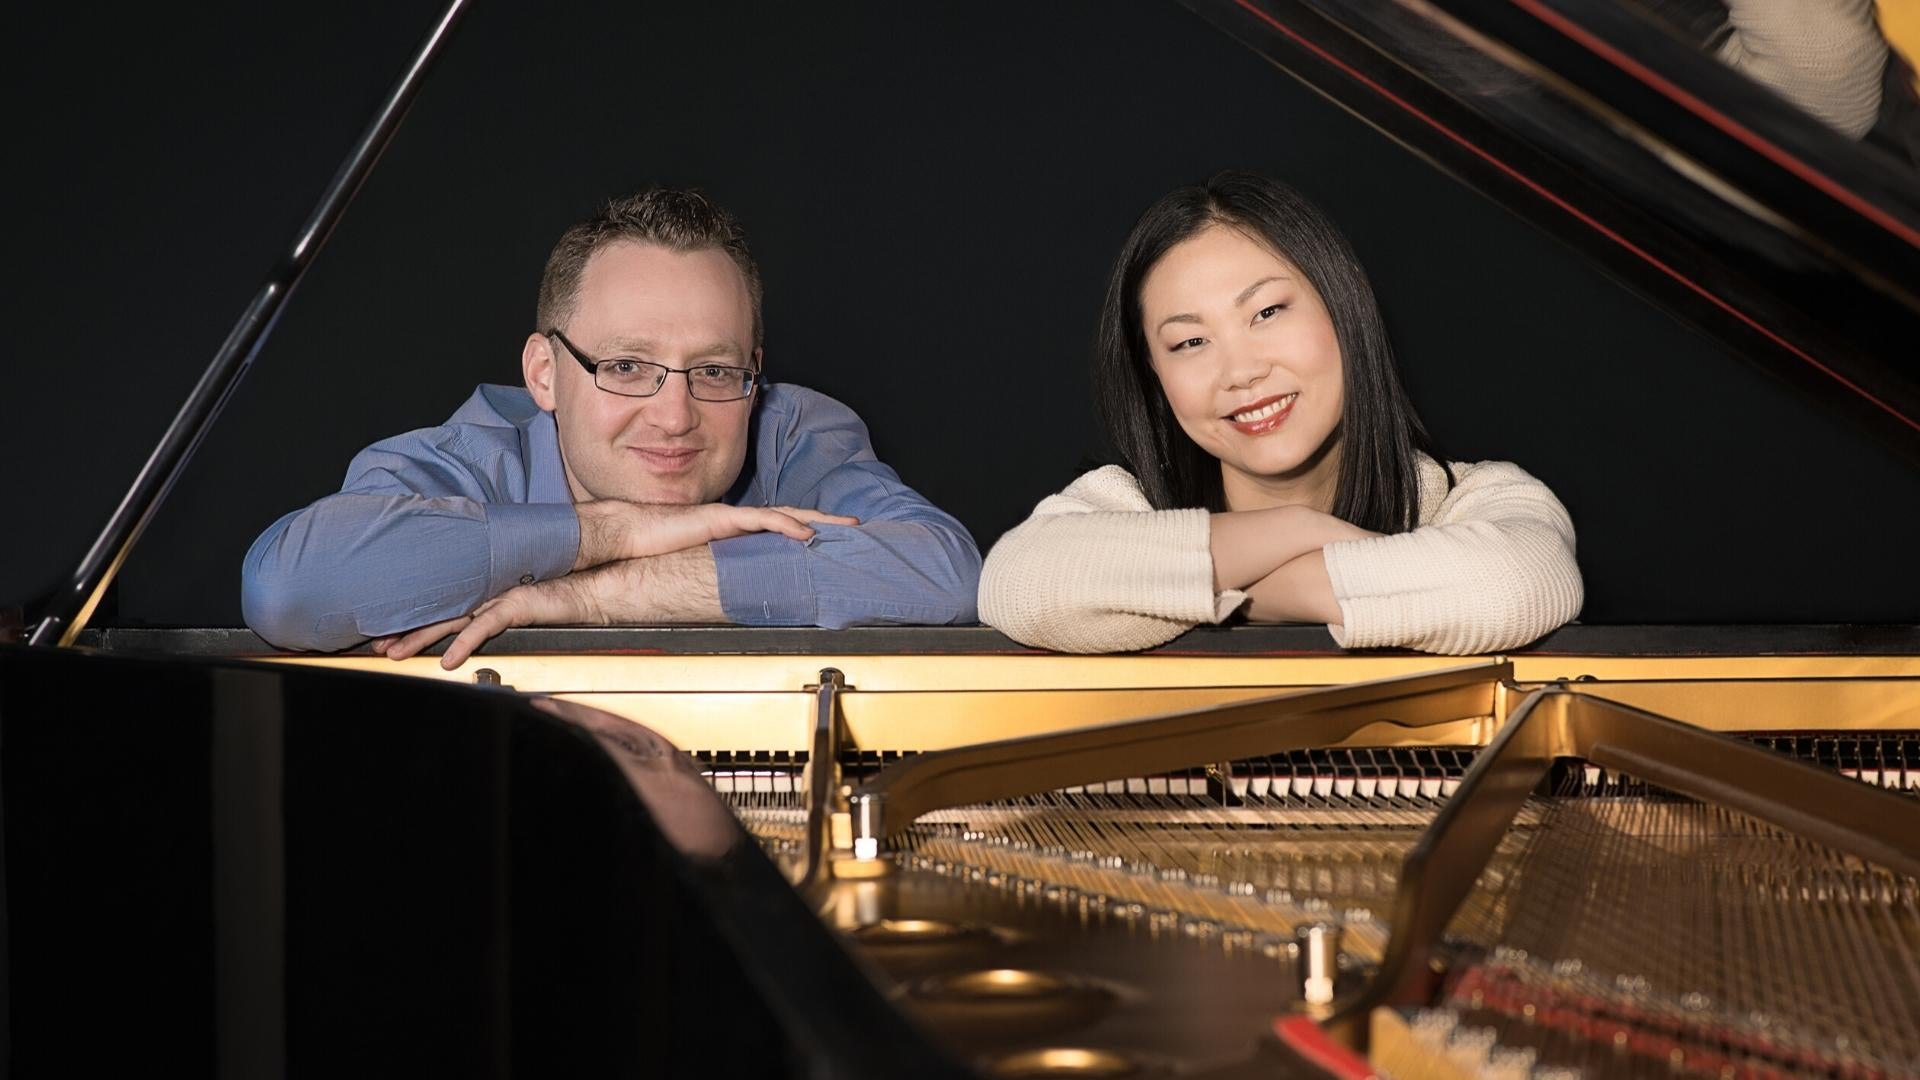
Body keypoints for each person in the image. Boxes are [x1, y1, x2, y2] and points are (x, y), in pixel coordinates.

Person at [243, 188, 980, 665]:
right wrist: (610, 532)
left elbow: (947, 574)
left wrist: (593, 593)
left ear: (753, 372)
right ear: (543, 374)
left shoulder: (791, 432)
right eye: (627, 366)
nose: (675, 415)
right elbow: (288, 588)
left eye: (716, 371)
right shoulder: (461, 463)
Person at [978, 172, 1581, 655]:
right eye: (1190, 342)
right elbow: (1018, 582)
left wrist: (1247, 592)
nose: (1240, 371)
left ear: (1344, 309)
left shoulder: (1466, 498)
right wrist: (1302, 530)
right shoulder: (1127, 502)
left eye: (1267, 312)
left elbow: (1519, 584)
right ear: (1156, 377)